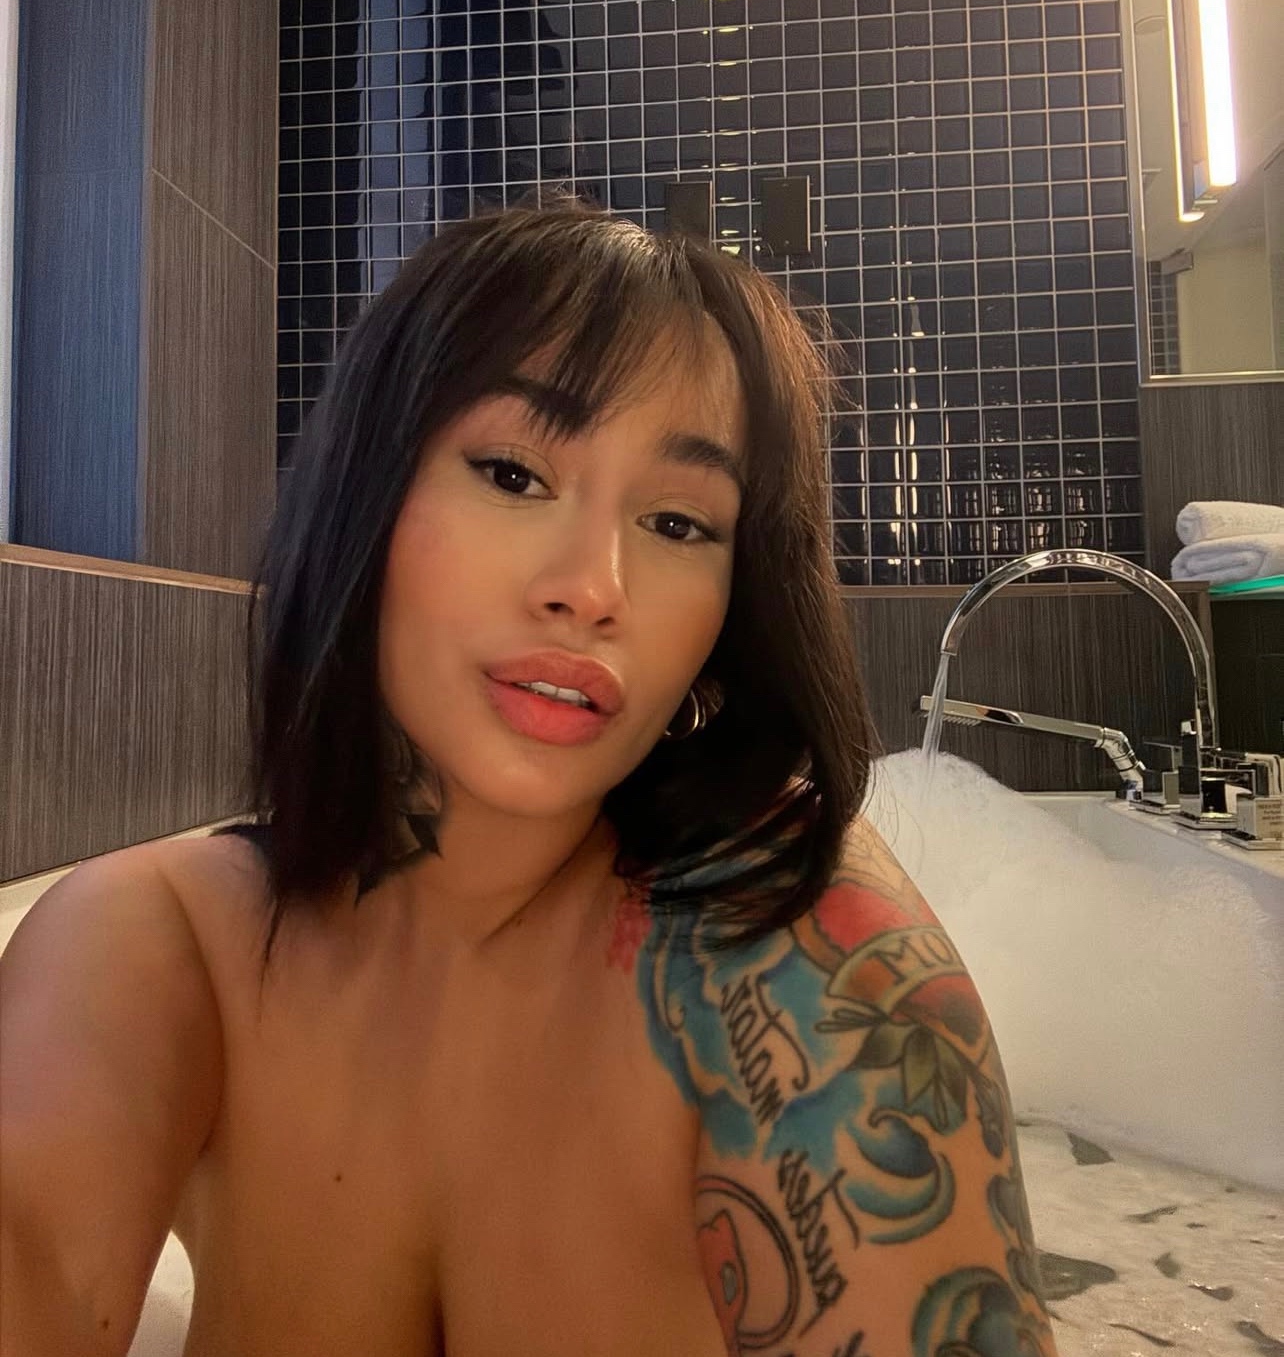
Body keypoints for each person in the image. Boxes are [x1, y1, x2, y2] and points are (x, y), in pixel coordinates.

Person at [0, 197, 1058, 1357]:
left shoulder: (785, 956)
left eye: (678, 522)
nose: (593, 586)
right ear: (365, 491)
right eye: (511, 473)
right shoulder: (157, 945)